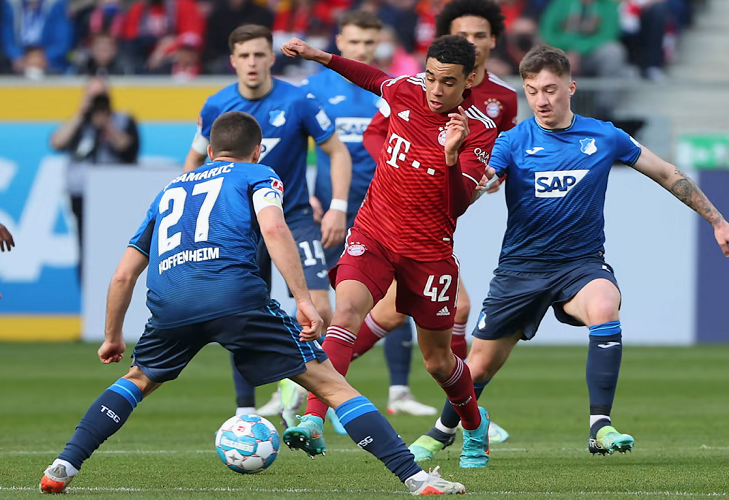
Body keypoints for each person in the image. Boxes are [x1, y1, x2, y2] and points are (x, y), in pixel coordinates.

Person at [38, 111, 465, 496]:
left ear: (209, 151)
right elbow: (275, 230)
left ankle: (63, 466)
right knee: (333, 386)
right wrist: (304, 300)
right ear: (257, 150)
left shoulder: (169, 191)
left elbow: (123, 274)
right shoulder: (259, 174)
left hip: (171, 301)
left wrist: (112, 336)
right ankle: (416, 479)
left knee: (137, 380)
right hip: (234, 295)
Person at [408, 45, 729, 466]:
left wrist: (718, 221)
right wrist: (472, 178)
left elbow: (666, 172)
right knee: (476, 369)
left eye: (550, 90)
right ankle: (442, 432)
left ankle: (599, 426)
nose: (541, 100)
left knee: (605, 305)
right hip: (520, 270)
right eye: (532, 91)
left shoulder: (604, 136)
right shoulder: (512, 141)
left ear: (570, 87)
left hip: (580, 266)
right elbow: (477, 185)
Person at [280, 34, 498, 469]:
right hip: (374, 232)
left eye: (448, 82)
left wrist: (450, 157)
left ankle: (475, 425)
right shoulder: (407, 89)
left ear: (469, 81)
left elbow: (456, 206)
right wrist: (318, 56)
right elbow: (371, 77)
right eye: (431, 77)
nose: (435, 89)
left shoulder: (478, 130)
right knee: (345, 314)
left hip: (428, 252)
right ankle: (313, 420)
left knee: (438, 362)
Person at [353, 0, 518, 446]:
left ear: (492, 41)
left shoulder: (503, 99)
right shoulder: (418, 86)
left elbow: (500, 152)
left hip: (445, 211)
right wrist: (411, 168)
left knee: (393, 313)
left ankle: (315, 379)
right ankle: (464, 417)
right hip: (397, 208)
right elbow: (377, 131)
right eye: (462, 34)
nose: (471, 42)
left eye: (479, 35)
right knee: (451, 309)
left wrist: (493, 175)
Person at [182, 24, 352, 422]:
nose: (252, 62)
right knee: (240, 314)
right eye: (244, 55)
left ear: (271, 57)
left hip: (292, 217)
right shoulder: (217, 105)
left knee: (320, 308)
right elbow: (193, 162)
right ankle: (245, 412)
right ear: (233, 60)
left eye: (259, 54)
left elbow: (338, 152)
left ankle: (305, 390)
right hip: (238, 226)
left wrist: (337, 207)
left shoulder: (299, 100)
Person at [302, 9, 437, 419]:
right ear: (339, 42)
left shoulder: (393, 89)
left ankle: (399, 391)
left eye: (368, 42)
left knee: (400, 296)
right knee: (320, 304)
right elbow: (292, 147)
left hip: (385, 212)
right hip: (330, 212)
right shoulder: (311, 89)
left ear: (378, 44)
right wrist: (304, 197)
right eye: (354, 41)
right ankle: (300, 385)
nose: (361, 49)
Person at [50, 76, 140, 284]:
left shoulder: (123, 121)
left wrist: (107, 123)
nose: (97, 100)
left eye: (101, 95)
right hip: (82, 195)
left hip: (116, 196)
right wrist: (80, 113)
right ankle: (88, 290)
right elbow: (57, 143)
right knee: (85, 246)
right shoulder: (78, 123)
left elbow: (128, 148)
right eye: (93, 96)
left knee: (117, 246)